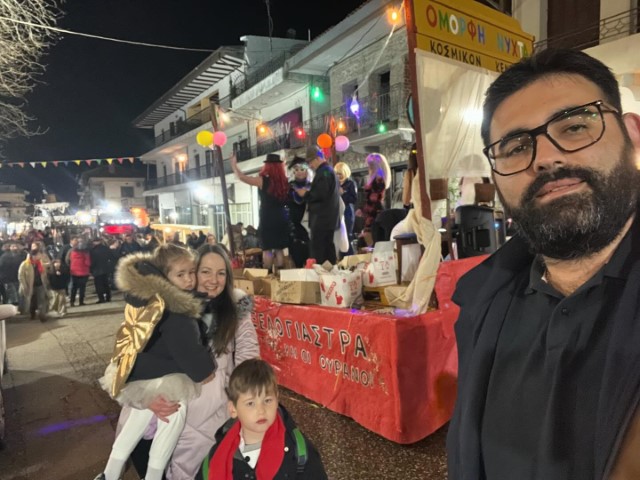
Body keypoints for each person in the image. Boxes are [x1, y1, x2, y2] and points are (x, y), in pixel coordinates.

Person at [447, 48, 640, 480]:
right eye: (516, 147)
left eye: (574, 126)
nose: (546, 158)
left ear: (633, 133)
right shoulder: (481, 304)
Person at [117, 243, 260, 480]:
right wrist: (146, 398)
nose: (213, 280)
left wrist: (242, 398)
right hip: (158, 408)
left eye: (221, 273)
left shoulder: (234, 308)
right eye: (205, 272)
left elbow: (248, 353)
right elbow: (129, 357)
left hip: (209, 409)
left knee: (197, 469)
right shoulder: (160, 307)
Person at [95, 244, 216, 480]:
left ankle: (110, 473)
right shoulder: (177, 309)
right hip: (166, 373)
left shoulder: (151, 300)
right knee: (172, 415)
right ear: (164, 277)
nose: (189, 279)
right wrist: (205, 372)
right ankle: (153, 475)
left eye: (191, 272)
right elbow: (188, 349)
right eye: (181, 274)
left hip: (142, 370)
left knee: (136, 422)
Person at [197, 358, 328, 480]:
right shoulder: (217, 457)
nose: (261, 410)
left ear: (277, 399)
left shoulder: (298, 451)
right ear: (233, 409)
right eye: (250, 403)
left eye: (267, 400)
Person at [231, 153, 289, 270]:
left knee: (267, 249)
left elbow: (242, 177)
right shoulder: (284, 181)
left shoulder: (263, 181)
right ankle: (281, 274)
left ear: (267, 166)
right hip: (281, 218)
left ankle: (268, 273)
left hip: (267, 218)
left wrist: (234, 165)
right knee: (279, 249)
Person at [294, 146, 340, 265]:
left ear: (318, 158)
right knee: (328, 248)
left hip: (321, 219)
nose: (310, 165)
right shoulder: (328, 171)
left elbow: (321, 194)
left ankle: (322, 274)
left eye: (310, 162)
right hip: (327, 218)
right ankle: (331, 272)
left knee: (319, 251)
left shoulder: (324, 172)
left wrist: (305, 194)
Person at [287, 155, 311, 267]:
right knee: (297, 256)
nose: (300, 172)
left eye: (302, 169)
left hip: (311, 224)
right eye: (297, 170)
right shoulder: (290, 187)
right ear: (293, 172)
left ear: (307, 171)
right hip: (295, 226)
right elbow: (298, 200)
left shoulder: (312, 185)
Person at [361, 153, 391, 245]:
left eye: (370, 164)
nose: (368, 167)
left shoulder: (378, 178)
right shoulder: (380, 177)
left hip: (374, 214)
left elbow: (374, 200)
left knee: (372, 242)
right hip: (375, 212)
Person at [17, 245, 49, 321]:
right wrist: (24, 285)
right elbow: (20, 276)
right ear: (34, 256)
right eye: (39, 254)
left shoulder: (40, 263)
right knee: (32, 301)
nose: (40, 256)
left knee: (41, 300)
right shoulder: (25, 264)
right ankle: (32, 314)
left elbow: (45, 271)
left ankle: (42, 315)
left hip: (40, 284)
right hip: (30, 285)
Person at [334, 162, 357, 256]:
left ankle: (349, 257)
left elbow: (354, 199)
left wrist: (343, 193)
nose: (338, 176)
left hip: (347, 212)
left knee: (347, 236)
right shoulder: (335, 184)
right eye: (336, 174)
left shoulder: (350, 183)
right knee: (339, 237)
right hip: (336, 212)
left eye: (340, 174)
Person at [90, 237, 115, 304]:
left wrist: (91, 270)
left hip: (97, 270)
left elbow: (92, 261)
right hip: (106, 269)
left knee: (98, 285)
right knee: (106, 284)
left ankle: (101, 298)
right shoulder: (106, 248)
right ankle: (108, 297)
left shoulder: (93, 250)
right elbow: (111, 257)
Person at [68, 237, 91, 307]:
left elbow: (68, 260)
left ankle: (72, 302)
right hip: (84, 272)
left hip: (74, 272)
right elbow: (88, 263)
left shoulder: (72, 251)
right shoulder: (86, 253)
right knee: (82, 288)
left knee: (74, 288)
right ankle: (81, 301)